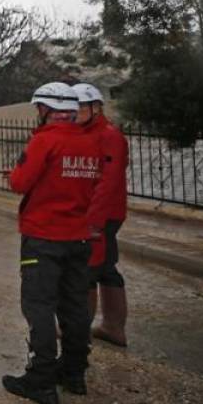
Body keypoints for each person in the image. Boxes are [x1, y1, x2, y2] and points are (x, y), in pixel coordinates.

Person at [2, 82, 102, 404]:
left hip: (43, 237)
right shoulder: (91, 143)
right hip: (79, 237)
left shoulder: (44, 141)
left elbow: (20, 182)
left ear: (46, 110)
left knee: (39, 306)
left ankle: (41, 380)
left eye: (38, 109)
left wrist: (12, 174)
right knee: (74, 307)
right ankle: (74, 373)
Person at [74, 83, 130, 347]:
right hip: (100, 213)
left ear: (95, 108)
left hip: (103, 215)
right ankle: (112, 327)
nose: (75, 112)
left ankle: (80, 330)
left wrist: (93, 220)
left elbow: (108, 183)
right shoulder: (88, 133)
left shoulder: (109, 136)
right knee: (106, 267)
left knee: (88, 269)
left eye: (80, 107)